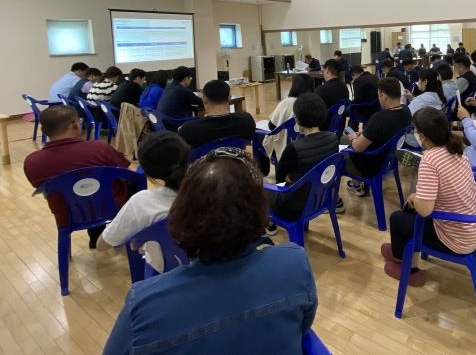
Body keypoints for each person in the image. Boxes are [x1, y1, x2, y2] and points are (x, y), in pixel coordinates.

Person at [103, 151, 318, 354]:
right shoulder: (295, 264)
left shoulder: (144, 306)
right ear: (260, 212)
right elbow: (302, 325)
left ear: (182, 215)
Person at [382, 107, 476, 286]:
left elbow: (425, 210)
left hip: (458, 238)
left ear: (423, 136)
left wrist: (415, 198)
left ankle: (407, 268)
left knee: (398, 218)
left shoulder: (430, 160)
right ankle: (403, 252)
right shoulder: (457, 150)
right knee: (410, 212)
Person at [23, 105, 131, 248]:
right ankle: (129, 234)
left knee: (83, 194)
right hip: (111, 206)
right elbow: (126, 175)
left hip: (66, 213)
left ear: (43, 131)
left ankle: (96, 237)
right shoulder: (100, 149)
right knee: (124, 184)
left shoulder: (32, 162)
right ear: (74, 125)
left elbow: (40, 187)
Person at [97, 132, 189, 273]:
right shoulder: (213, 190)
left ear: (148, 172)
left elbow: (102, 244)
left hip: (164, 273)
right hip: (214, 270)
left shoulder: (141, 203)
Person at [270, 93, 340, 220]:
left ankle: (271, 225)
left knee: (260, 193)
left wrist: (291, 176)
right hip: (322, 198)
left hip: (296, 207)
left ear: (298, 120)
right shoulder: (334, 139)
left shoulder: (294, 148)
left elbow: (280, 180)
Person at [344, 77, 412, 196]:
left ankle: (356, 185)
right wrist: (365, 134)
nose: (378, 99)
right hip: (390, 160)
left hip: (372, 165)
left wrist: (354, 137)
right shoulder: (406, 111)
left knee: (342, 143)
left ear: (383, 96)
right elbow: (384, 132)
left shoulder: (379, 118)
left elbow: (358, 148)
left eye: (379, 96)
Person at [178, 79, 256, 150]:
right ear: (229, 98)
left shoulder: (188, 129)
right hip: (238, 161)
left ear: (204, 99)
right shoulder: (247, 121)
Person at [263, 74, 315, 164]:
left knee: (261, 138)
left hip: (286, 147)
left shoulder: (286, 103)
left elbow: (272, 126)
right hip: (308, 146)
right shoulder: (314, 103)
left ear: (294, 86)